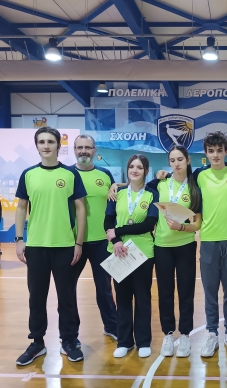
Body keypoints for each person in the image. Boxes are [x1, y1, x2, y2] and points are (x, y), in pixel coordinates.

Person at [157, 132, 227, 358]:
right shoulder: (198, 176)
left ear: (226, 151)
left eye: (219, 150)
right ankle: (211, 334)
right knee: (210, 292)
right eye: (211, 151)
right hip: (207, 240)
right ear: (205, 154)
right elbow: (176, 178)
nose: (215, 155)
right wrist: (161, 173)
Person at [15, 127, 86, 365]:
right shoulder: (28, 174)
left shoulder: (70, 174)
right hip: (36, 246)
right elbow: (21, 207)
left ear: (58, 145)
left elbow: (80, 209)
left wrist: (78, 242)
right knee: (36, 297)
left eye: (50, 142)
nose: (46, 145)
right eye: (42, 142)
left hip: (65, 245)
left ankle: (69, 341)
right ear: (37, 145)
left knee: (67, 297)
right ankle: (37, 342)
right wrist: (19, 239)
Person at [104, 154, 158, 358]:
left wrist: (117, 231)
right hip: (119, 251)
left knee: (143, 297)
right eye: (132, 166)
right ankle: (125, 342)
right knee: (123, 297)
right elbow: (108, 221)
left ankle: (143, 341)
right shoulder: (117, 193)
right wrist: (116, 241)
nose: (135, 170)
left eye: (140, 167)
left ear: (146, 171)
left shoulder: (152, 195)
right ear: (127, 170)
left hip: (143, 252)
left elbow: (148, 224)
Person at [150, 145, 202, 358]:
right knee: (165, 293)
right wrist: (115, 185)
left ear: (188, 160)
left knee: (186, 292)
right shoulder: (160, 184)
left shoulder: (194, 187)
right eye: (172, 160)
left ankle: (186, 335)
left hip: (185, 245)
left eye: (180, 159)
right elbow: (135, 185)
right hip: (162, 246)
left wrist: (182, 227)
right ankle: (168, 334)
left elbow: (197, 224)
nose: (176, 163)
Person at [71, 135, 118, 341]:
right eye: (80, 147)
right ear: (74, 149)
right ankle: (70, 333)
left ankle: (112, 326)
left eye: (88, 147)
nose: (83, 151)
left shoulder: (105, 174)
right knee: (67, 290)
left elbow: (115, 203)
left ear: (94, 150)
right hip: (74, 243)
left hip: (102, 242)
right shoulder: (67, 174)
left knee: (104, 288)